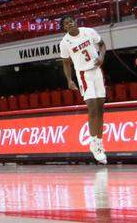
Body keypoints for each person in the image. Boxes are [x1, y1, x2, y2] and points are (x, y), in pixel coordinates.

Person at [59, 16, 107, 164]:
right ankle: (93, 143)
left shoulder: (88, 31)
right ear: (64, 27)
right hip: (83, 74)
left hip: (97, 71)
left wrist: (101, 56)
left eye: (71, 21)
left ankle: (99, 142)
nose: (70, 23)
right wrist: (69, 79)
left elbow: (103, 45)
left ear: (75, 22)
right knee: (92, 108)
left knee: (100, 108)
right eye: (66, 23)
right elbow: (66, 63)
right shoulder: (64, 43)